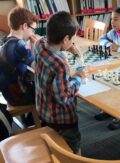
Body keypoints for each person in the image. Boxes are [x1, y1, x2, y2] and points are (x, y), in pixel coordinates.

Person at [34, 11, 86, 154]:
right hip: (61, 119)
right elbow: (64, 97)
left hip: (43, 109)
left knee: (53, 143)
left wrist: (68, 49)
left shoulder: (39, 44)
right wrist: (78, 77)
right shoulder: (61, 64)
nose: (72, 42)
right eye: (72, 39)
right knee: (71, 147)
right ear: (65, 39)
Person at [0, 7, 39, 125]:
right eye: (33, 30)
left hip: (8, 93)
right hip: (19, 96)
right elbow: (38, 68)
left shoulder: (4, 40)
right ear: (25, 26)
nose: (33, 33)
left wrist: (31, 45)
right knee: (51, 90)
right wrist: (35, 46)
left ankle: (30, 119)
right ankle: (36, 121)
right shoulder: (19, 45)